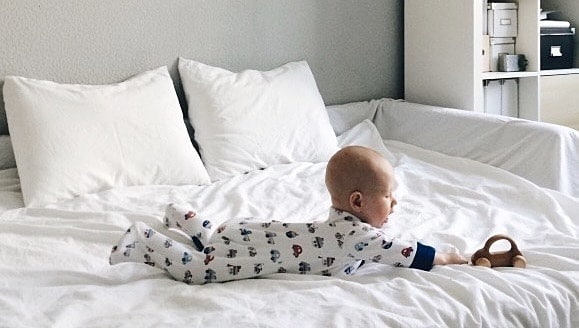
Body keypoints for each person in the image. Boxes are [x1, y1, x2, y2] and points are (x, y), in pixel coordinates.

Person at [110, 146, 466, 284]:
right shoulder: (361, 237)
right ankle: (144, 240)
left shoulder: (340, 223)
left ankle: (182, 214)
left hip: (251, 230)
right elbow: (405, 253)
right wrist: (448, 257)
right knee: (201, 269)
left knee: (216, 235)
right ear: (357, 202)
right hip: (250, 252)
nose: (395, 204)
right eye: (388, 196)